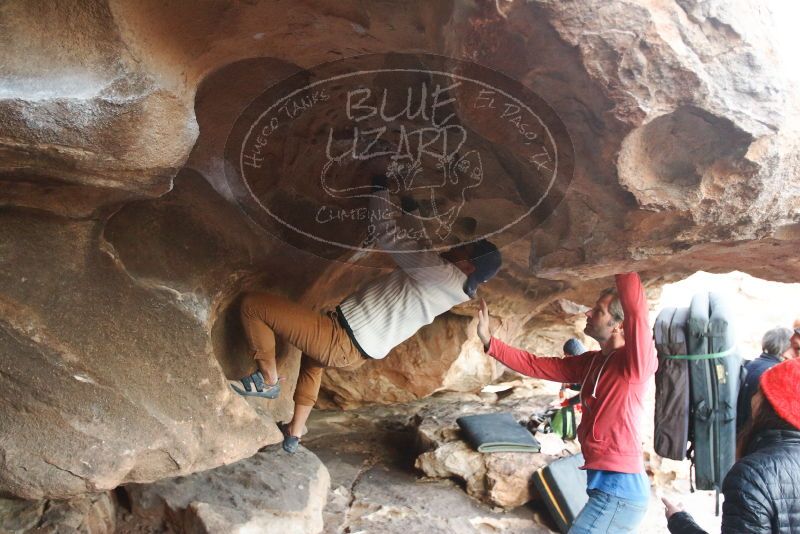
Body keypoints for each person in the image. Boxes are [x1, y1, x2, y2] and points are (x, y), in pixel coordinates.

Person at [235, 164, 502, 453]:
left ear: (468, 265)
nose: (459, 245)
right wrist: (411, 212)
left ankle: (268, 379)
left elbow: (385, 232)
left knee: (254, 305)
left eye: (466, 248)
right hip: (353, 350)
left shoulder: (442, 275)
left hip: (340, 338)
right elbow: (421, 246)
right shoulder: (453, 283)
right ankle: (294, 433)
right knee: (313, 364)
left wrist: (380, 188)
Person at [477, 272, 657, 533]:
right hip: (607, 488)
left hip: (620, 492)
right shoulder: (591, 361)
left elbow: (638, 315)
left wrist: (623, 264)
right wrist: (489, 341)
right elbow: (535, 365)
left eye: (598, 311)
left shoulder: (635, 365)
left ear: (619, 325)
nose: (587, 314)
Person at [663, 356, 800, 533]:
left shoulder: (752, 475)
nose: (753, 397)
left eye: (759, 391)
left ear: (769, 405)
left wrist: (680, 523)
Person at [736, 327, 794, 431]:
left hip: (737, 432)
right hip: (756, 436)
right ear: (786, 347)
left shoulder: (748, 365)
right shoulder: (777, 374)